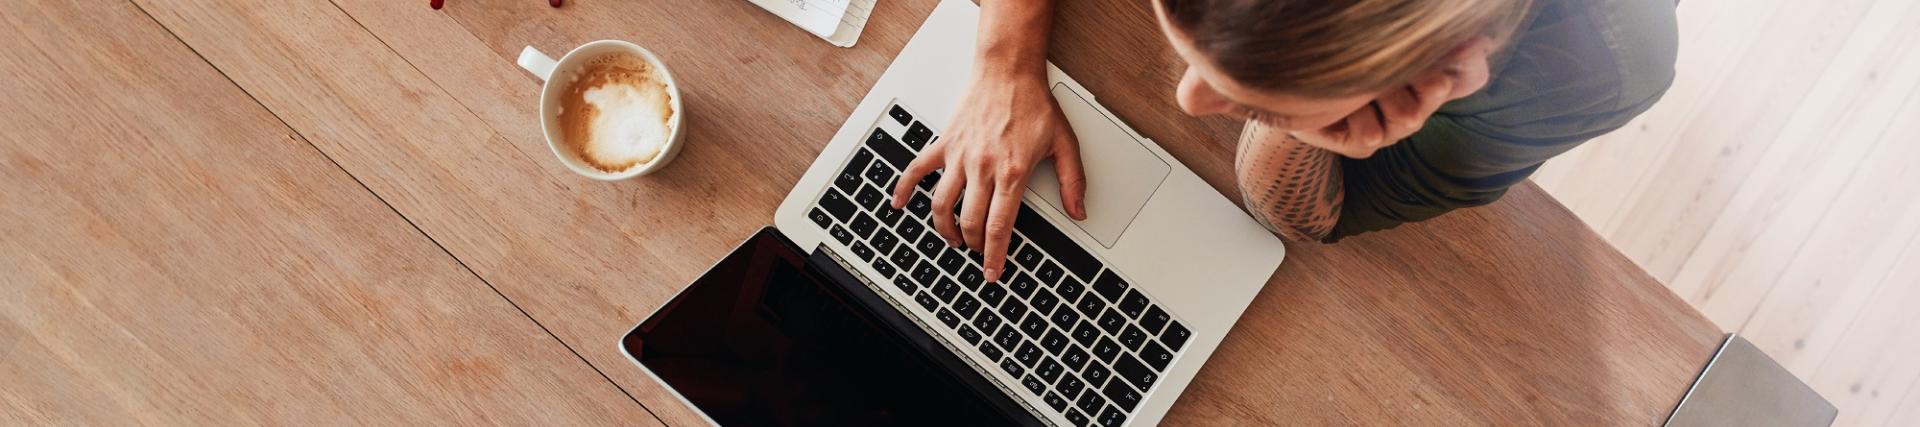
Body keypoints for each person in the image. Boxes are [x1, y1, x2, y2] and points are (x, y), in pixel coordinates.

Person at [891, 0, 1678, 282]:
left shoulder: (1594, 68)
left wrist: (1319, 135)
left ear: (1441, 73)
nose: (1189, 102)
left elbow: (1299, 211)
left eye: (1251, 99)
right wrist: (1003, 56)